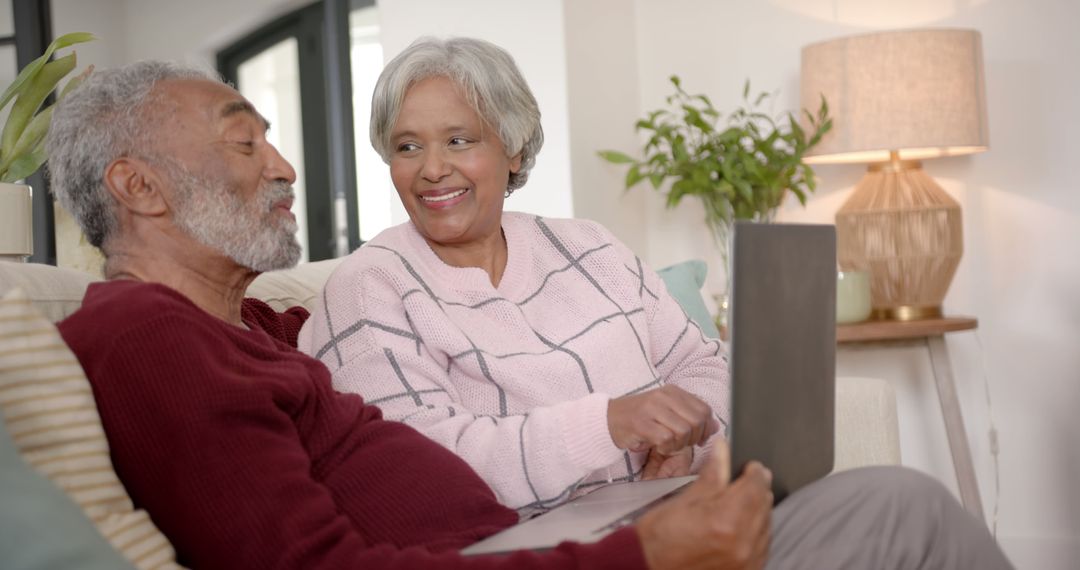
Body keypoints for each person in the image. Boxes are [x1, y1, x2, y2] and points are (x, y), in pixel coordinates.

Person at [45, 60, 1013, 569]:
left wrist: (670, 466)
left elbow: (695, 360)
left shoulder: (251, 330)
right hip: (545, 549)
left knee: (888, 498)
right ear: (139, 187)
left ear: (512, 150)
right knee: (900, 508)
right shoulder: (148, 338)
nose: (286, 167)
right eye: (246, 143)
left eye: (461, 139)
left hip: (579, 533)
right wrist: (642, 551)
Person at [301, 36, 727, 515]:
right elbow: (416, 468)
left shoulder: (591, 246)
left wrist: (684, 443)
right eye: (408, 146)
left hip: (675, 511)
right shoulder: (369, 287)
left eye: (458, 140)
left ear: (515, 150)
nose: (433, 169)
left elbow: (705, 368)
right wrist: (605, 426)